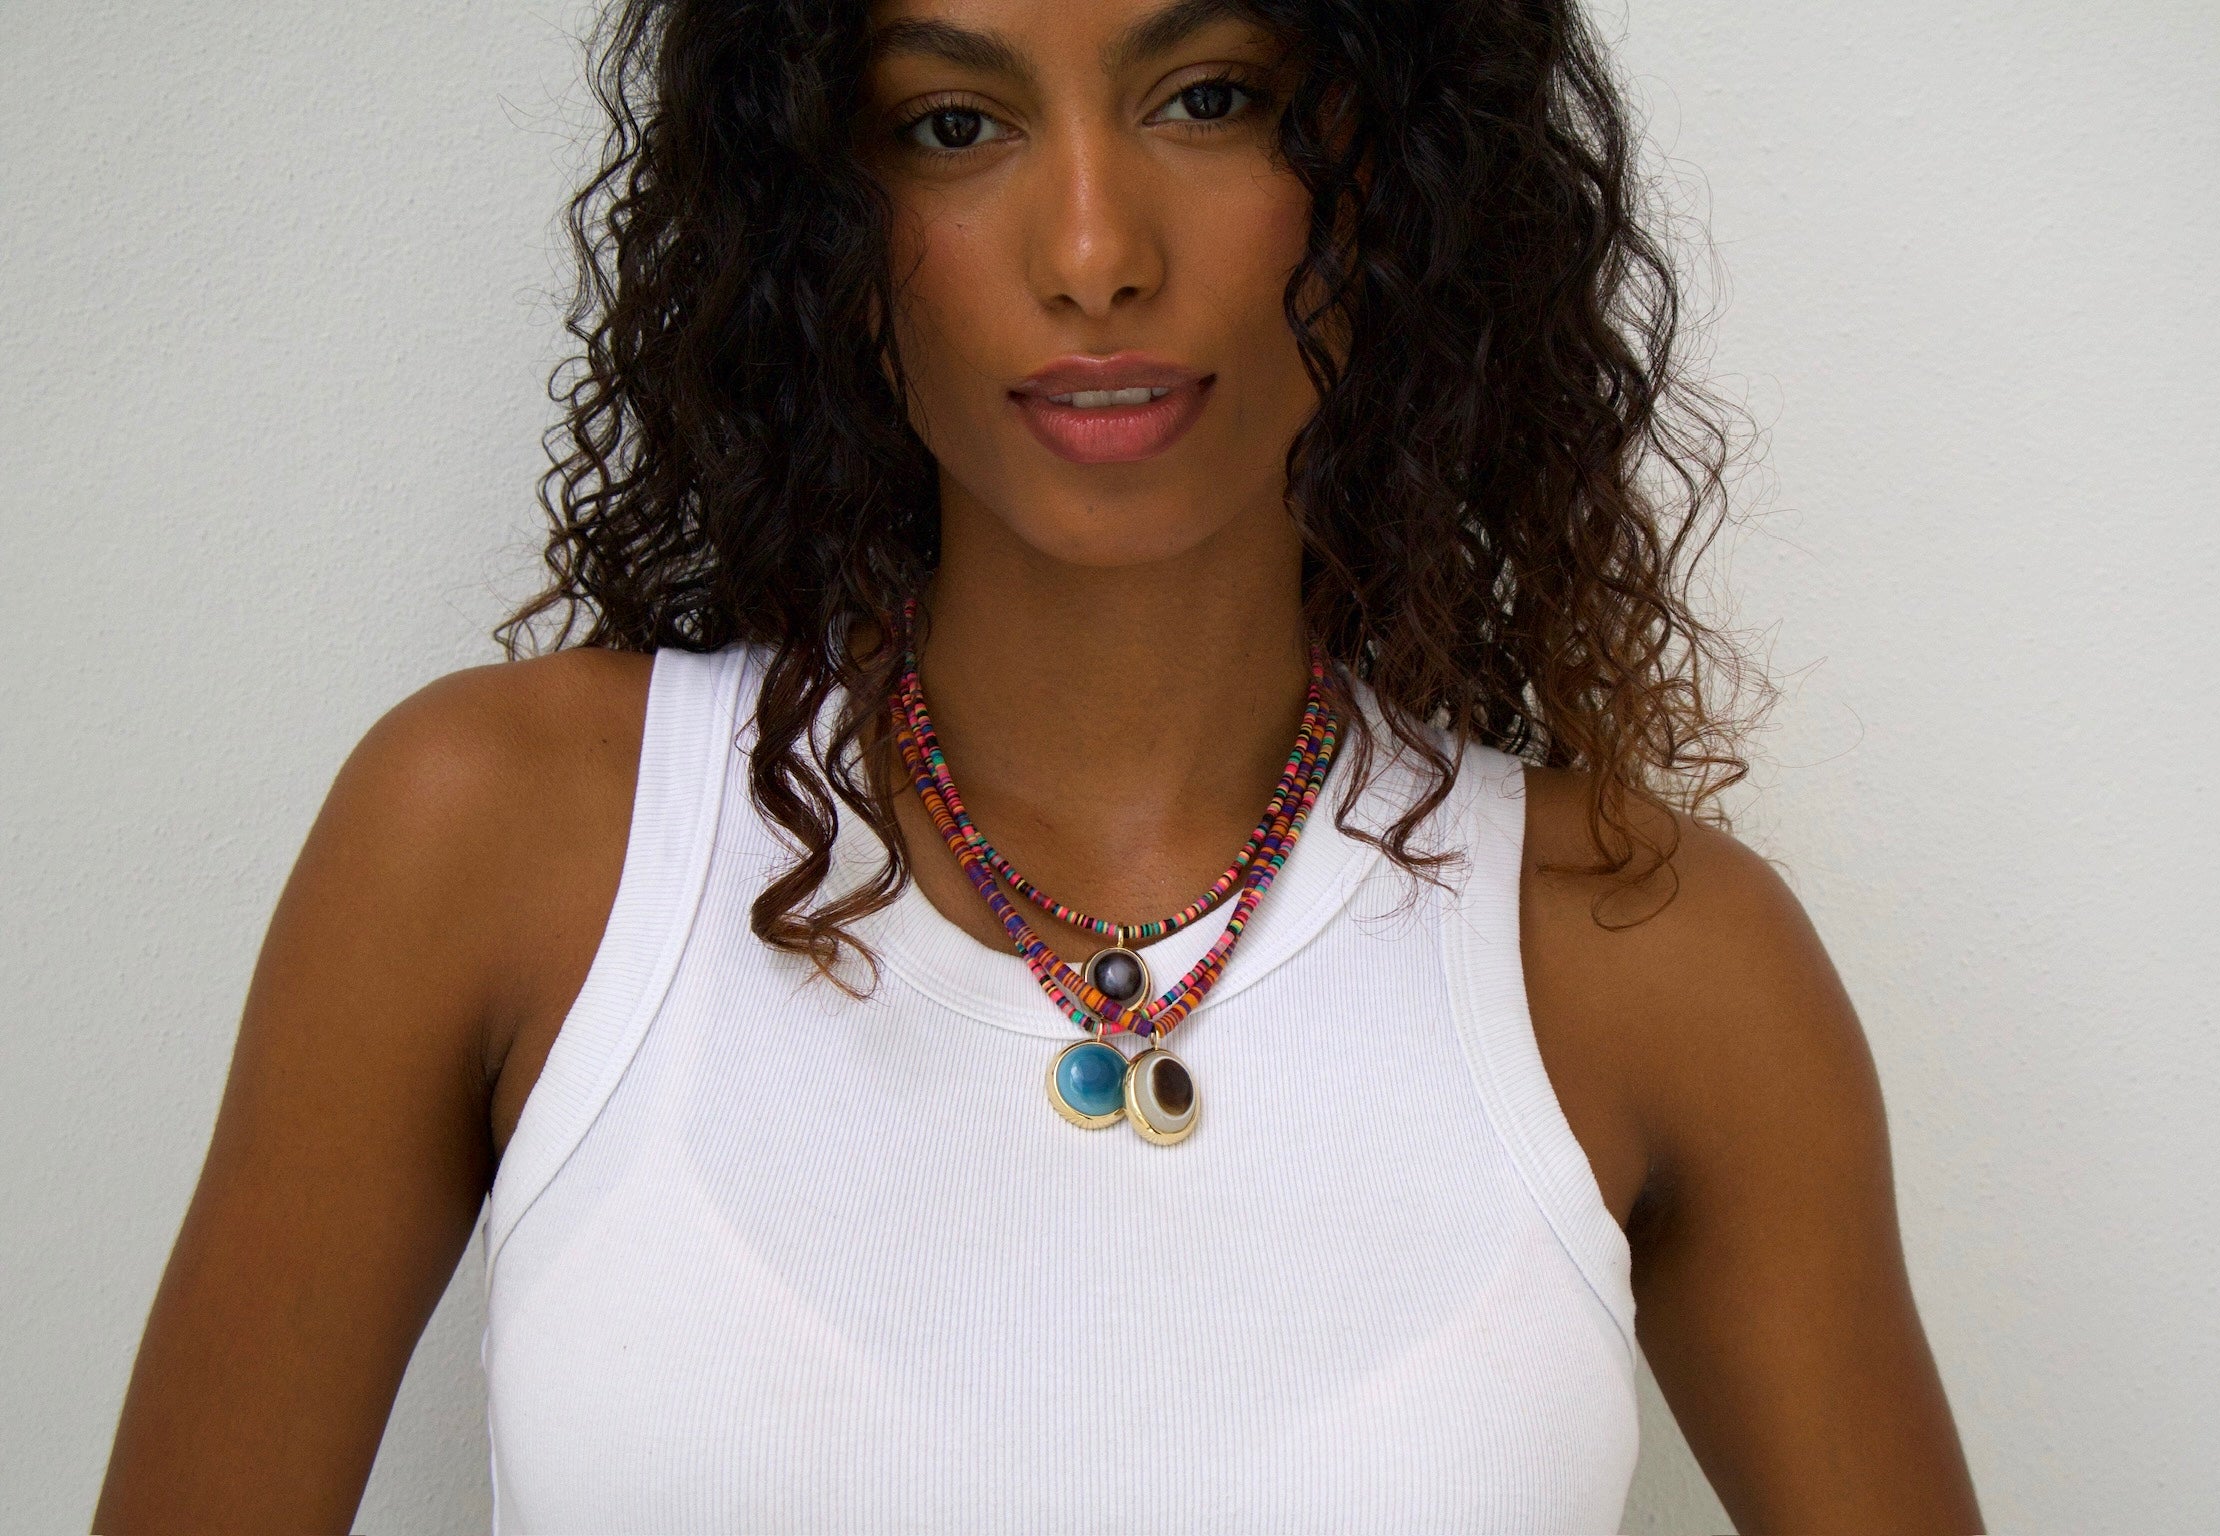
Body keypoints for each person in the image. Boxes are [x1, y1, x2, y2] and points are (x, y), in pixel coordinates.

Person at [94, 0, 1984, 1530]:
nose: (1094, 254)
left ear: (1395, 179)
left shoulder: (1654, 958)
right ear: (817, 218)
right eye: (952, 122)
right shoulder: (500, 844)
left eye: (1211, 95)